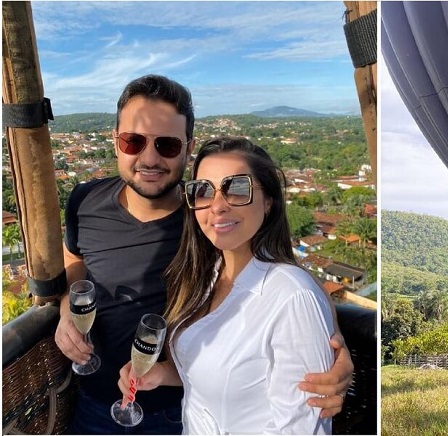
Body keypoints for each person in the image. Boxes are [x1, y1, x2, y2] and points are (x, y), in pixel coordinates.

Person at [54, 75, 352, 434]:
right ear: (115, 142)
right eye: (133, 141)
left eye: (166, 145)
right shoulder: (84, 201)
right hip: (97, 400)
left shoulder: (207, 216)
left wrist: (334, 348)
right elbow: (74, 260)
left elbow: (292, 283)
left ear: (187, 148)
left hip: (178, 410)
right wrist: (67, 306)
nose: (149, 158)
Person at [117, 136, 338, 433]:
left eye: (237, 189)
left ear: (269, 201)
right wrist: (162, 374)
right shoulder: (208, 273)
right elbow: (227, 375)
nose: (217, 206)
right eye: (203, 191)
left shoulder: (291, 296)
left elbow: (304, 427)